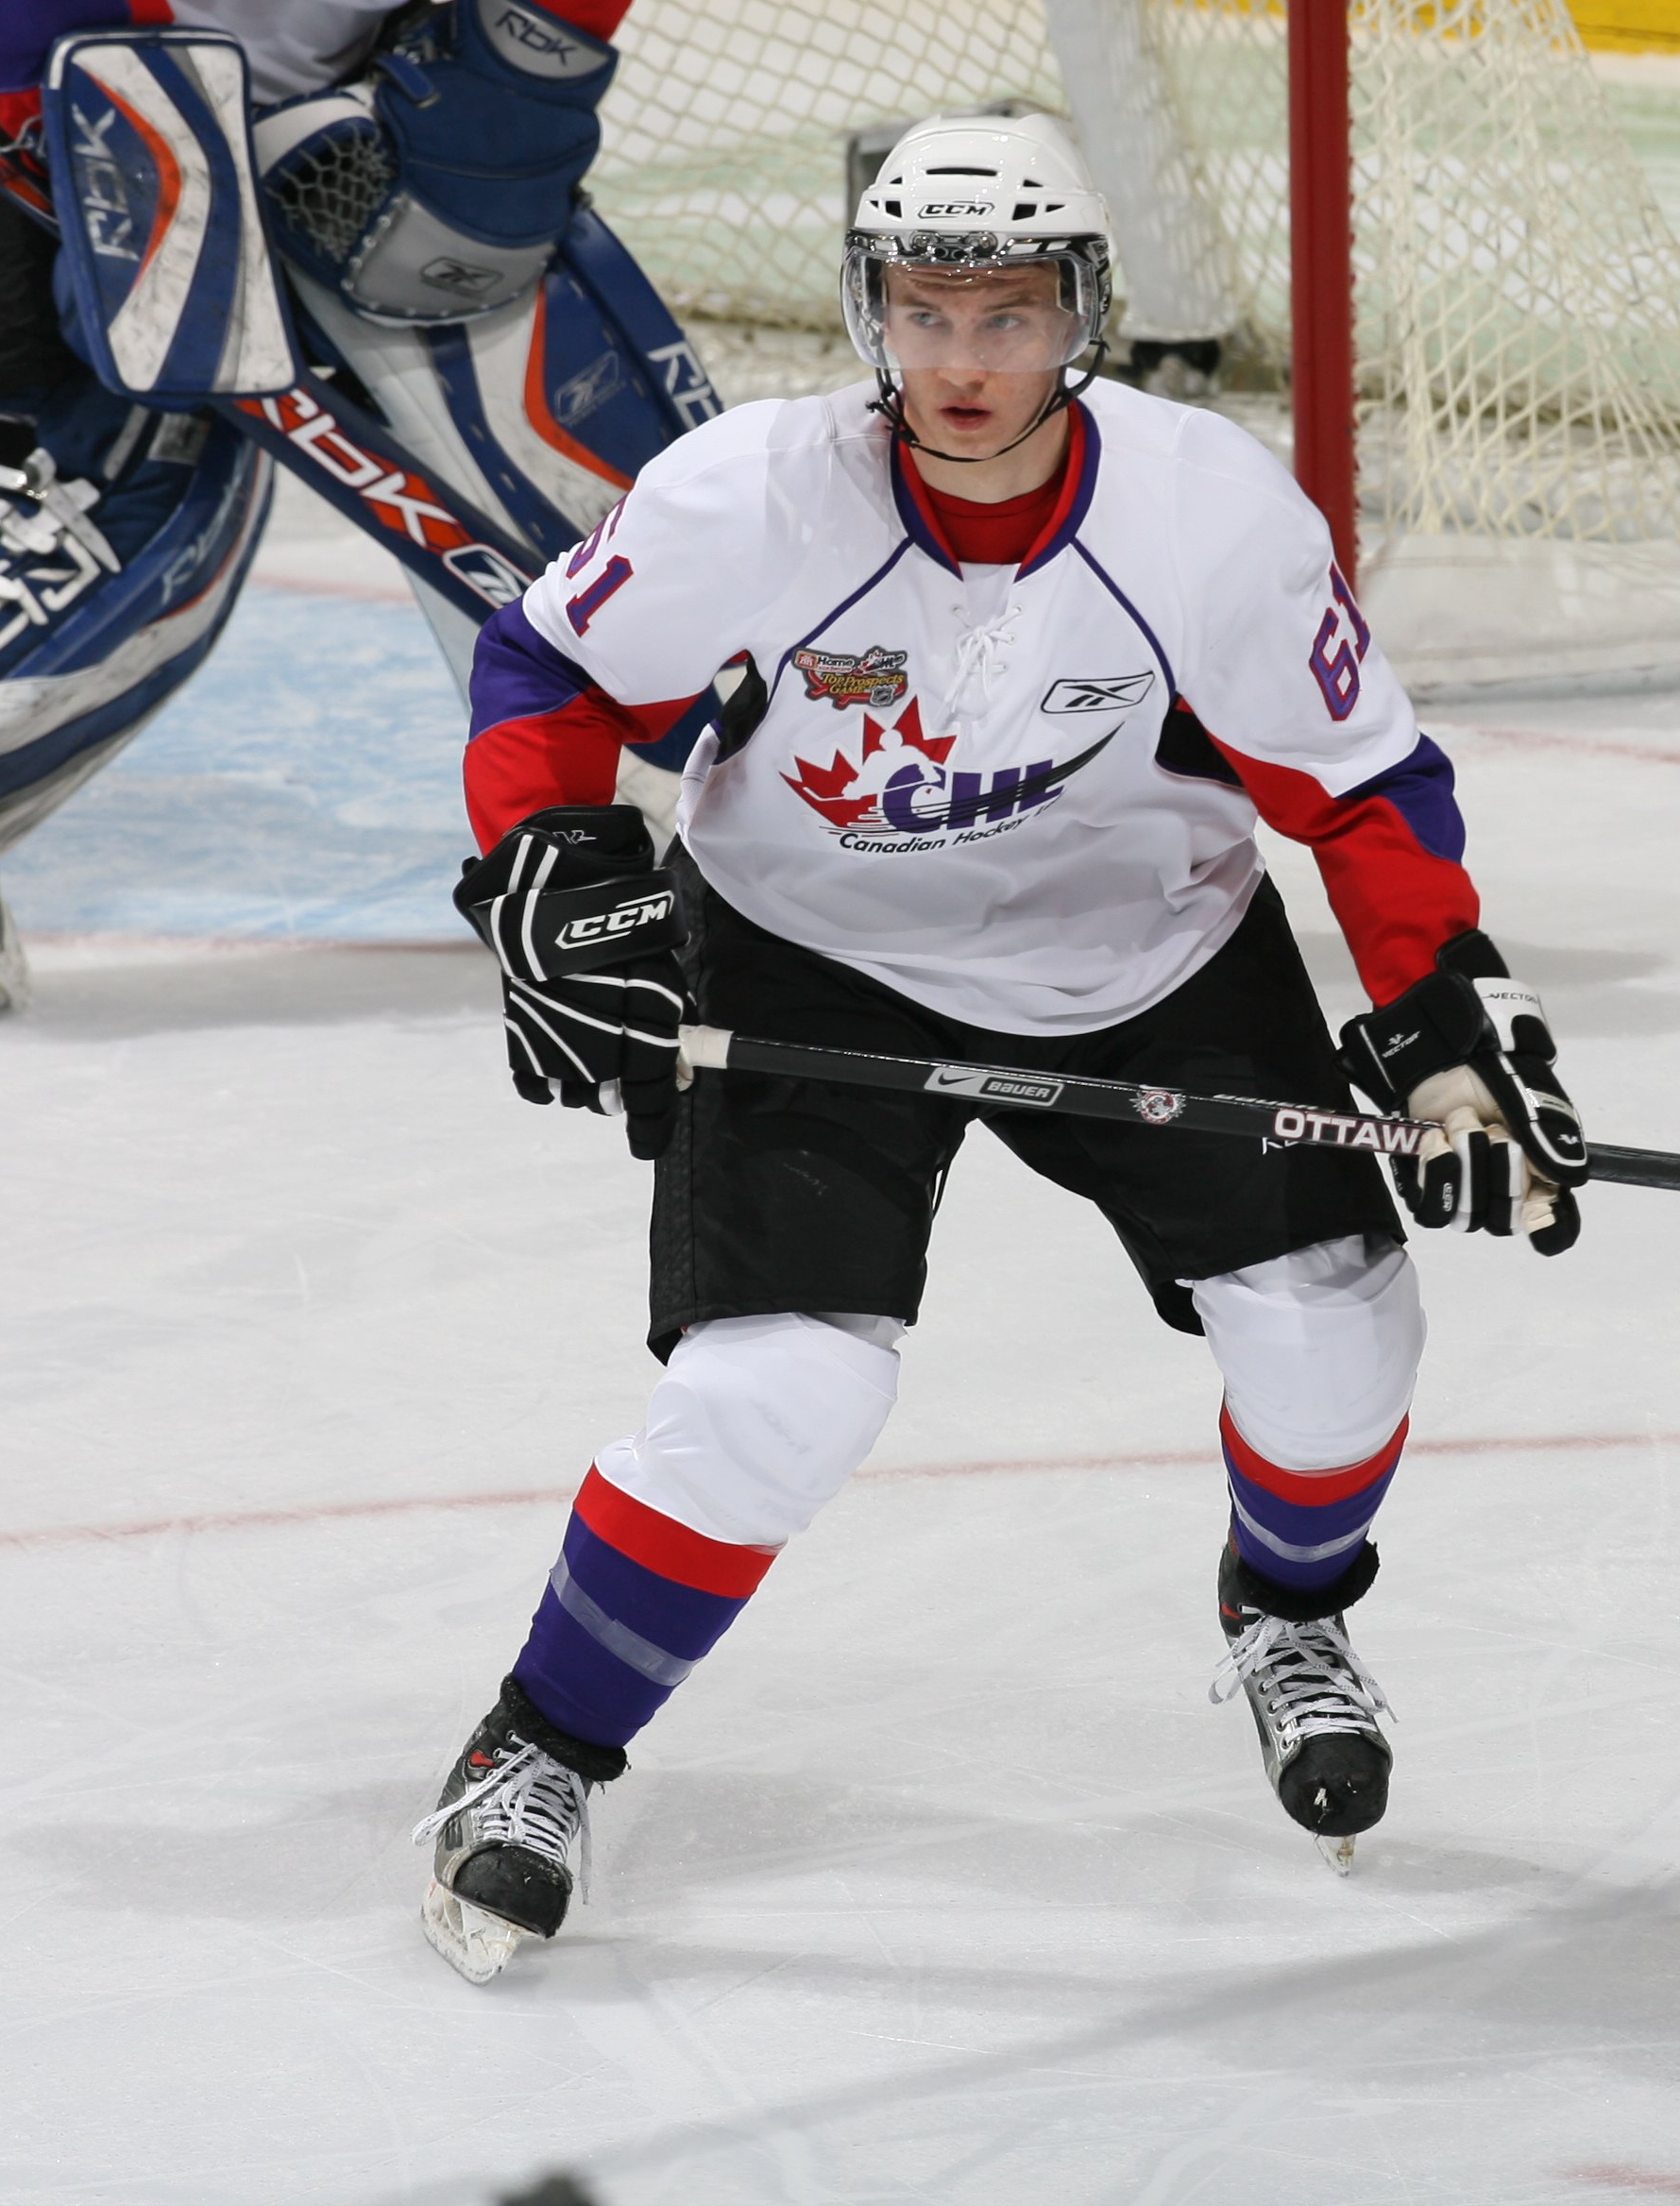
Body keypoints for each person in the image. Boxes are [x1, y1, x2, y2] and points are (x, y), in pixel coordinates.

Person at [413, 110, 1592, 1983]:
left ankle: (1285, 1609)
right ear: (870, 312)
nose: (964, 361)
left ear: (1084, 316)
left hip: (1150, 945)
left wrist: (1443, 1031)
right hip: (808, 952)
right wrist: (543, 856)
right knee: (779, 1396)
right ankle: (535, 1747)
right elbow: (549, 674)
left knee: (1340, 1325)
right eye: (924, 308)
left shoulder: (1204, 513)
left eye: (1012, 311)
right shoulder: (751, 494)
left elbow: (1364, 795)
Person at [0, 0, 674, 1018]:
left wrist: (525, 65)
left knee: (502, 407)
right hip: (69, 57)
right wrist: (61, 93)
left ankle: (616, 824)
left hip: (312, 85)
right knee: (113, 467)